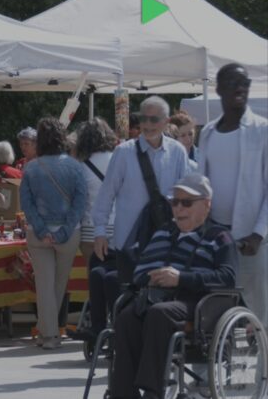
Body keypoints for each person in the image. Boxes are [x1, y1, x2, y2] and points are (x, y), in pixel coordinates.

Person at [109, 174, 237, 399]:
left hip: (198, 302)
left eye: (186, 202)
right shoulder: (163, 233)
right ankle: (123, 393)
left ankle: (153, 391)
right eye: (175, 202)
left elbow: (227, 277)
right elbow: (140, 269)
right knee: (127, 318)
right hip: (156, 296)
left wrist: (182, 278)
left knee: (160, 314)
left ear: (206, 205)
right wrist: (149, 277)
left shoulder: (220, 237)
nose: (179, 208)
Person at [91, 97, 189, 342]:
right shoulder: (123, 152)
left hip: (165, 242)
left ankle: (155, 351)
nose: (147, 124)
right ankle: (128, 351)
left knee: (162, 299)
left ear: (166, 122)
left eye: (154, 119)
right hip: (129, 244)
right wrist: (100, 232)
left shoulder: (177, 152)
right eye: (143, 118)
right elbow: (107, 194)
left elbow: (185, 193)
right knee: (130, 301)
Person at [196, 63, 268, 327]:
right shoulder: (207, 132)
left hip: (253, 239)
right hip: (216, 237)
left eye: (245, 83)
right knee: (213, 307)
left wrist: (259, 233)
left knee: (261, 312)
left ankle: (264, 369)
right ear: (218, 89)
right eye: (233, 82)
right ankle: (214, 366)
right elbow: (202, 183)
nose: (241, 88)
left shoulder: (262, 130)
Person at [20, 117, 87, 349]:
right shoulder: (76, 166)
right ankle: (50, 333)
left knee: (44, 286)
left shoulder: (30, 168)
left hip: (38, 233)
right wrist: (65, 230)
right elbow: (80, 202)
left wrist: (40, 229)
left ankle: (47, 334)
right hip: (68, 233)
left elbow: (26, 204)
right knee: (58, 285)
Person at [73, 118, 119, 341]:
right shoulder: (118, 159)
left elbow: (80, 200)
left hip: (91, 227)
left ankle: (97, 321)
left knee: (94, 276)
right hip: (118, 225)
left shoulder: (81, 166)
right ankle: (116, 317)